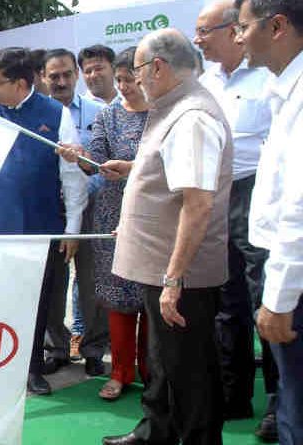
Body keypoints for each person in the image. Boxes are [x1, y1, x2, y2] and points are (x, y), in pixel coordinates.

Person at [100, 29, 233, 445]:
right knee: (165, 362)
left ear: (156, 67)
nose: (135, 81)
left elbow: (197, 205)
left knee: (189, 372)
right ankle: (156, 432)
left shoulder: (191, 117)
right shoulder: (174, 108)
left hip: (178, 275)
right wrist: (134, 170)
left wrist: (174, 280)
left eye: (137, 71)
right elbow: (170, 180)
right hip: (160, 266)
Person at [0, 47, 87, 396]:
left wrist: (72, 229)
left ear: (21, 83)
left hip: (40, 228)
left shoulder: (56, 115)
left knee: (37, 304)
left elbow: (72, 177)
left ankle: (33, 368)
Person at [193, 0, 278, 431]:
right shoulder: (203, 82)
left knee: (266, 292)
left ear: (232, 31)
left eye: (205, 31)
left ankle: (279, 403)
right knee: (225, 300)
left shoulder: (269, 76)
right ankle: (234, 393)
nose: (198, 40)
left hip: (256, 190)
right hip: (213, 193)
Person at [59, 47, 150, 401]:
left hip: (155, 215)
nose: (125, 86)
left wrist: (134, 167)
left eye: (131, 79)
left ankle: (152, 370)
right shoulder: (109, 114)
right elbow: (94, 160)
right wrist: (78, 155)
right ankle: (121, 371)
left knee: (153, 299)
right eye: (123, 80)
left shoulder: (165, 113)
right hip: (114, 216)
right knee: (118, 296)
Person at [235, 1, 303, 443]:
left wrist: (278, 297)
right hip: (288, 273)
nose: (238, 37)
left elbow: (299, 206)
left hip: (294, 281)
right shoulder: (285, 89)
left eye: (242, 27)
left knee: (297, 409)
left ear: (276, 26)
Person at [42, 48, 107, 377]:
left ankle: (95, 348)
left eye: (67, 74)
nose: (61, 81)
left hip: (93, 207)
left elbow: (100, 165)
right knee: (52, 282)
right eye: (54, 76)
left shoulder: (99, 112)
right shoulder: (42, 115)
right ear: (43, 78)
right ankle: (57, 346)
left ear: (77, 75)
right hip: (52, 208)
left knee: (92, 279)